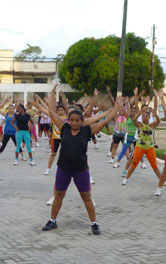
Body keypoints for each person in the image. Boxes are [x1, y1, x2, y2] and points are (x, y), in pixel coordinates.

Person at [41, 85, 119, 235]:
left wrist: (116, 108)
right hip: (63, 169)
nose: (75, 123)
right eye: (72, 120)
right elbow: (51, 112)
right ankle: (52, 221)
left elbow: (104, 121)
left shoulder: (87, 131)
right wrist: (52, 94)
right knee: (58, 195)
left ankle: (94, 223)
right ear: (68, 120)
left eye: (77, 120)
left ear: (82, 121)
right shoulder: (63, 128)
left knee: (86, 197)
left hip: (81, 170)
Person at [122, 91, 161, 185]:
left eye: (146, 115)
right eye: (144, 116)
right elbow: (134, 119)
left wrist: (156, 97)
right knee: (134, 163)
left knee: (154, 166)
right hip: (139, 147)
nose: (145, 117)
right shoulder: (139, 123)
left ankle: (162, 180)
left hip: (150, 148)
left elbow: (156, 113)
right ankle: (126, 178)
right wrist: (139, 111)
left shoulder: (152, 123)